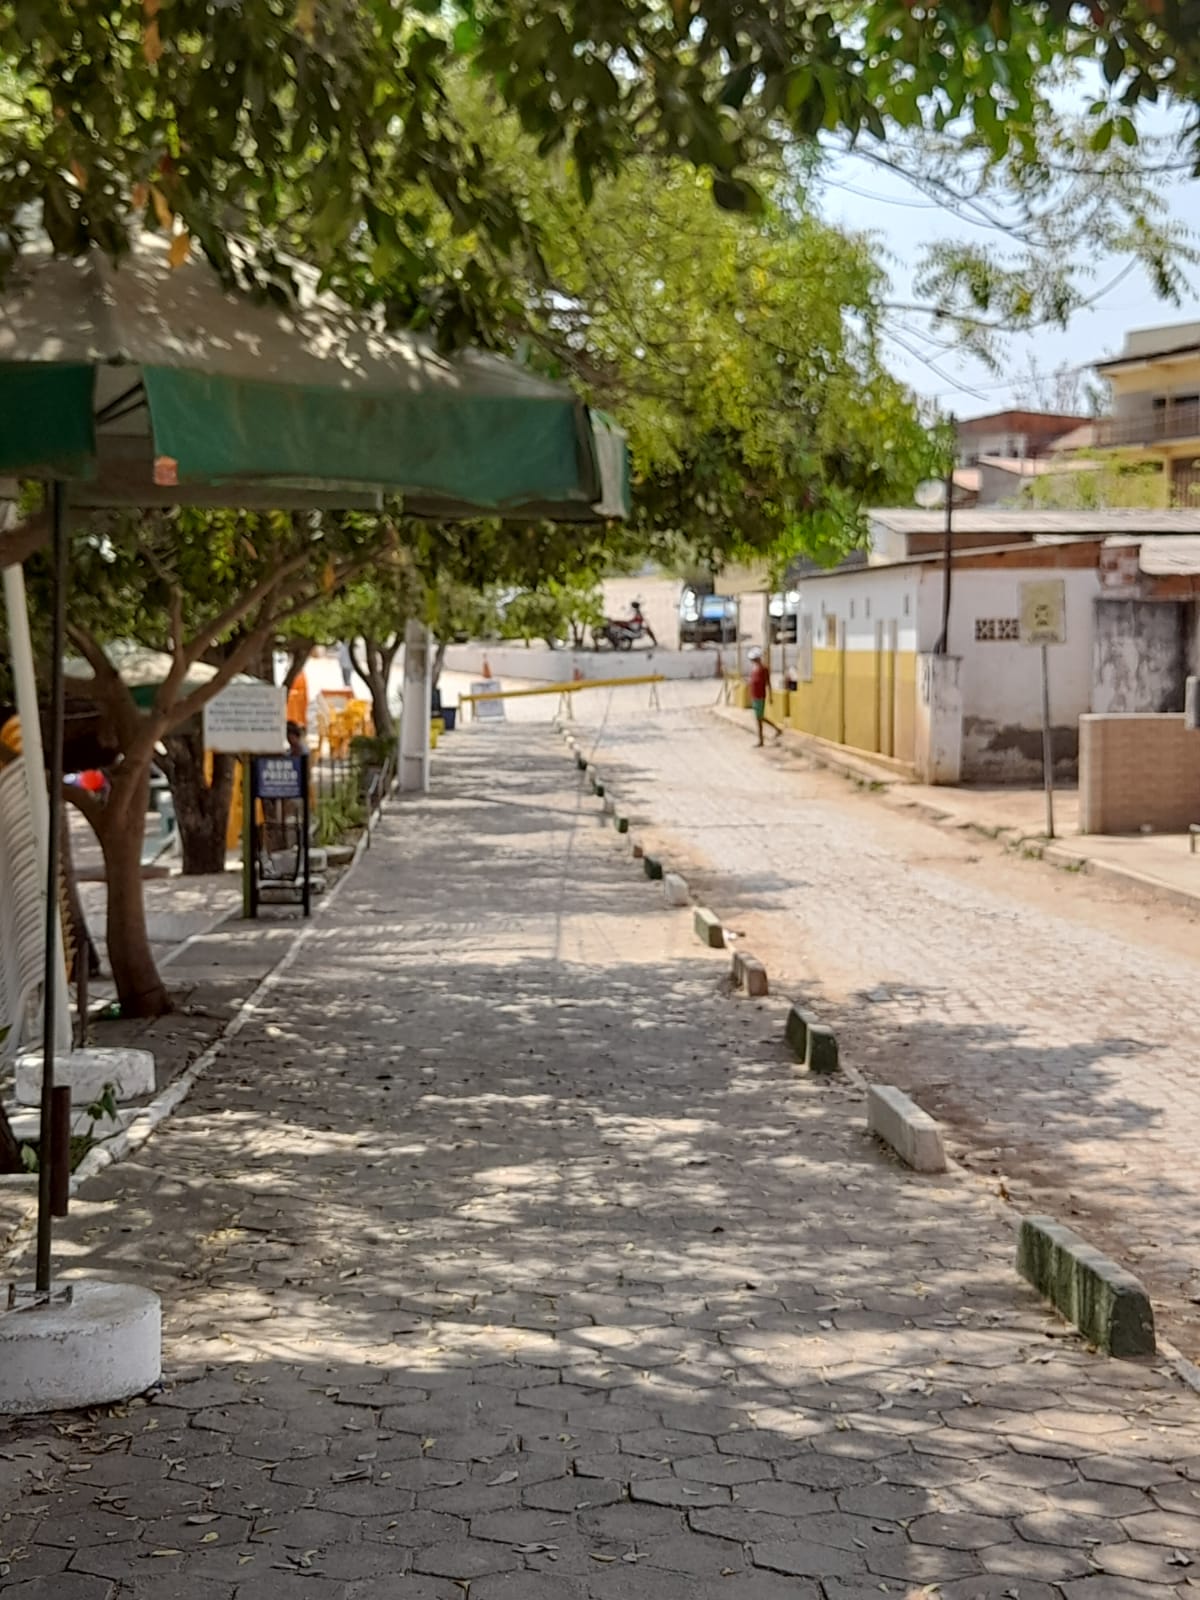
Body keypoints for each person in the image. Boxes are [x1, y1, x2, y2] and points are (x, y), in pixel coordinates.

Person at [747, 647, 782, 747]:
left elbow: (768, 683)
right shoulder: (754, 669)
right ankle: (775, 730)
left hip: (760, 696)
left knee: (759, 718)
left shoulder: (764, 669)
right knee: (759, 718)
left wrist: (770, 696)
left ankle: (761, 740)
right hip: (755, 696)